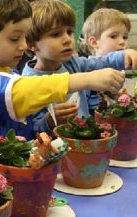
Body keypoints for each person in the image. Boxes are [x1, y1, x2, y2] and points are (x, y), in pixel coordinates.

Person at [0, 0, 127, 169]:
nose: (24, 46)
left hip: (14, 172)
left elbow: (25, 131)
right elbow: (18, 90)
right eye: (15, 38)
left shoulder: (10, 72)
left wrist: (48, 122)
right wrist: (84, 80)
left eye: (24, 37)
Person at [21, 0, 137, 136]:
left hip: (86, 137)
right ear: (32, 44)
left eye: (69, 32)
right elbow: (33, 127)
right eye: (55, 34)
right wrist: (50, 121)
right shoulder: (28, 81)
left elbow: (100, 62)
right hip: (59, 148)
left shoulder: (72, 63)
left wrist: (124, 55)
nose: (67, 39)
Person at [81, 8, 131, 114]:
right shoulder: (87, 71)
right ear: (94, 42)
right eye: (113, 36)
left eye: (125, 37)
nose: (122, 42)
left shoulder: (119, 68)